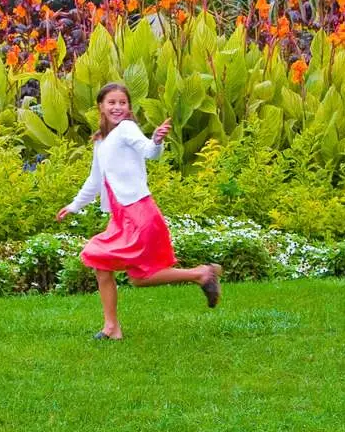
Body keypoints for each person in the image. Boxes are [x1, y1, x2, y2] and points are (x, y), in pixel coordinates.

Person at [57, 82, 222, 340]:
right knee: (101, 262)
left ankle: (201, 273)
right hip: (121, 216)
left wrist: (156, 140)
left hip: (140, 213)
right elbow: (95, 179)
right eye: (111, 102)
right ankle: (111, 327)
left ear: (129, 108)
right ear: (100, 106)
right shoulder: (101, 140)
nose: (117, 107)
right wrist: (74, 205)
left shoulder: (126, 129)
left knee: (141, 276)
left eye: (122, 103)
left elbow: (149, 151)